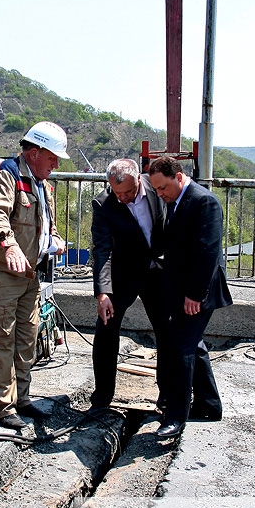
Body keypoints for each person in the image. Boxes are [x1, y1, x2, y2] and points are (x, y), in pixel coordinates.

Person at [0, 121, 69, 430]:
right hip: (2, 273)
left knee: (27, 339)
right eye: (52, 157)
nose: (55, 164)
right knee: (2, 339)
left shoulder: (42, 184)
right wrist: (9, 245)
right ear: (35, 152)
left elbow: (42, 224)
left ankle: (22, 399)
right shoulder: (7, 175)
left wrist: (53, 241)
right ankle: (5, 406)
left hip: (31, 274)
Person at [147, 156, 233, 438]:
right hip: (181, 289)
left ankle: (175, 416)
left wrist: (195, 295)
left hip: (199, 292)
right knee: (192, 345)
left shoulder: (203, 202)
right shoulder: (175, 201)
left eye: (162, 187)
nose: (159, 194)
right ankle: (209, 406)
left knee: (180, 349)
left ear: (179, 177)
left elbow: (208, 251)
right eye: (156, 189)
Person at [90, 158, 169, 411]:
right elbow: (102, 250)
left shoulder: (157, 189)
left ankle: (167, 395)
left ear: (138, 179)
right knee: (105, 329)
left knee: (166, 331)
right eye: (117, 192)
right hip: (122, 275)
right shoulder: (104, 204)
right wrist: (103, 293)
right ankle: (102, 397)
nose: (122, 197)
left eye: (128, 192)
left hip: (157, 271)